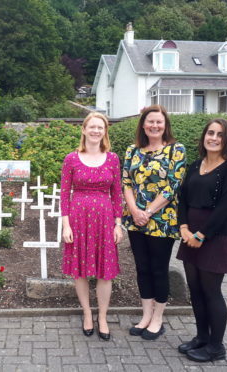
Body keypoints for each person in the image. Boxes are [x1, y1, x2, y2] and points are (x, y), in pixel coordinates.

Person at [176, 118, 227, 362]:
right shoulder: (195, 165)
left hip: (216, 237)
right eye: (210, 133)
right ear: (204, 136)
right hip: (189, 235)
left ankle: (216, 346)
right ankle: (202, 337)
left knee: (211, 290)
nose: (214, 138)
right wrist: (183, 228)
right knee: (195, 289)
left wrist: (202, 235)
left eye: (220, 134)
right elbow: (182, 199)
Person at [122, 105, 186, 340]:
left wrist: (147, 212)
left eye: (159, 122)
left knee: (159, 269)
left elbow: (172, 185)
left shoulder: (176, 150)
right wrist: (134, 210)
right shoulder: (132, 150)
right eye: (150, 122)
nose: (154, 126)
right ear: (143, 125)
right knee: (142, 268)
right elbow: (126, 182)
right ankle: (146, 315)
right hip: (135, 220)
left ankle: (158, 318)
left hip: (162, 220)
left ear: (165, 125)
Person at [60, 112, 123, 341]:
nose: (96, 131)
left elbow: (117, 194)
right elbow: (64, 194)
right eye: (92, 127)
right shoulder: (72, 158)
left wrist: (118, 225)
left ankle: (103, 317)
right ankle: (87, 313)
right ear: (84, 129)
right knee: (80, 270)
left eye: (101, 127)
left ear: (105, 132)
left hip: (105, 220)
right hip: (78, 219)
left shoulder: (113, 158)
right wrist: (65, 225)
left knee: (105, 272)